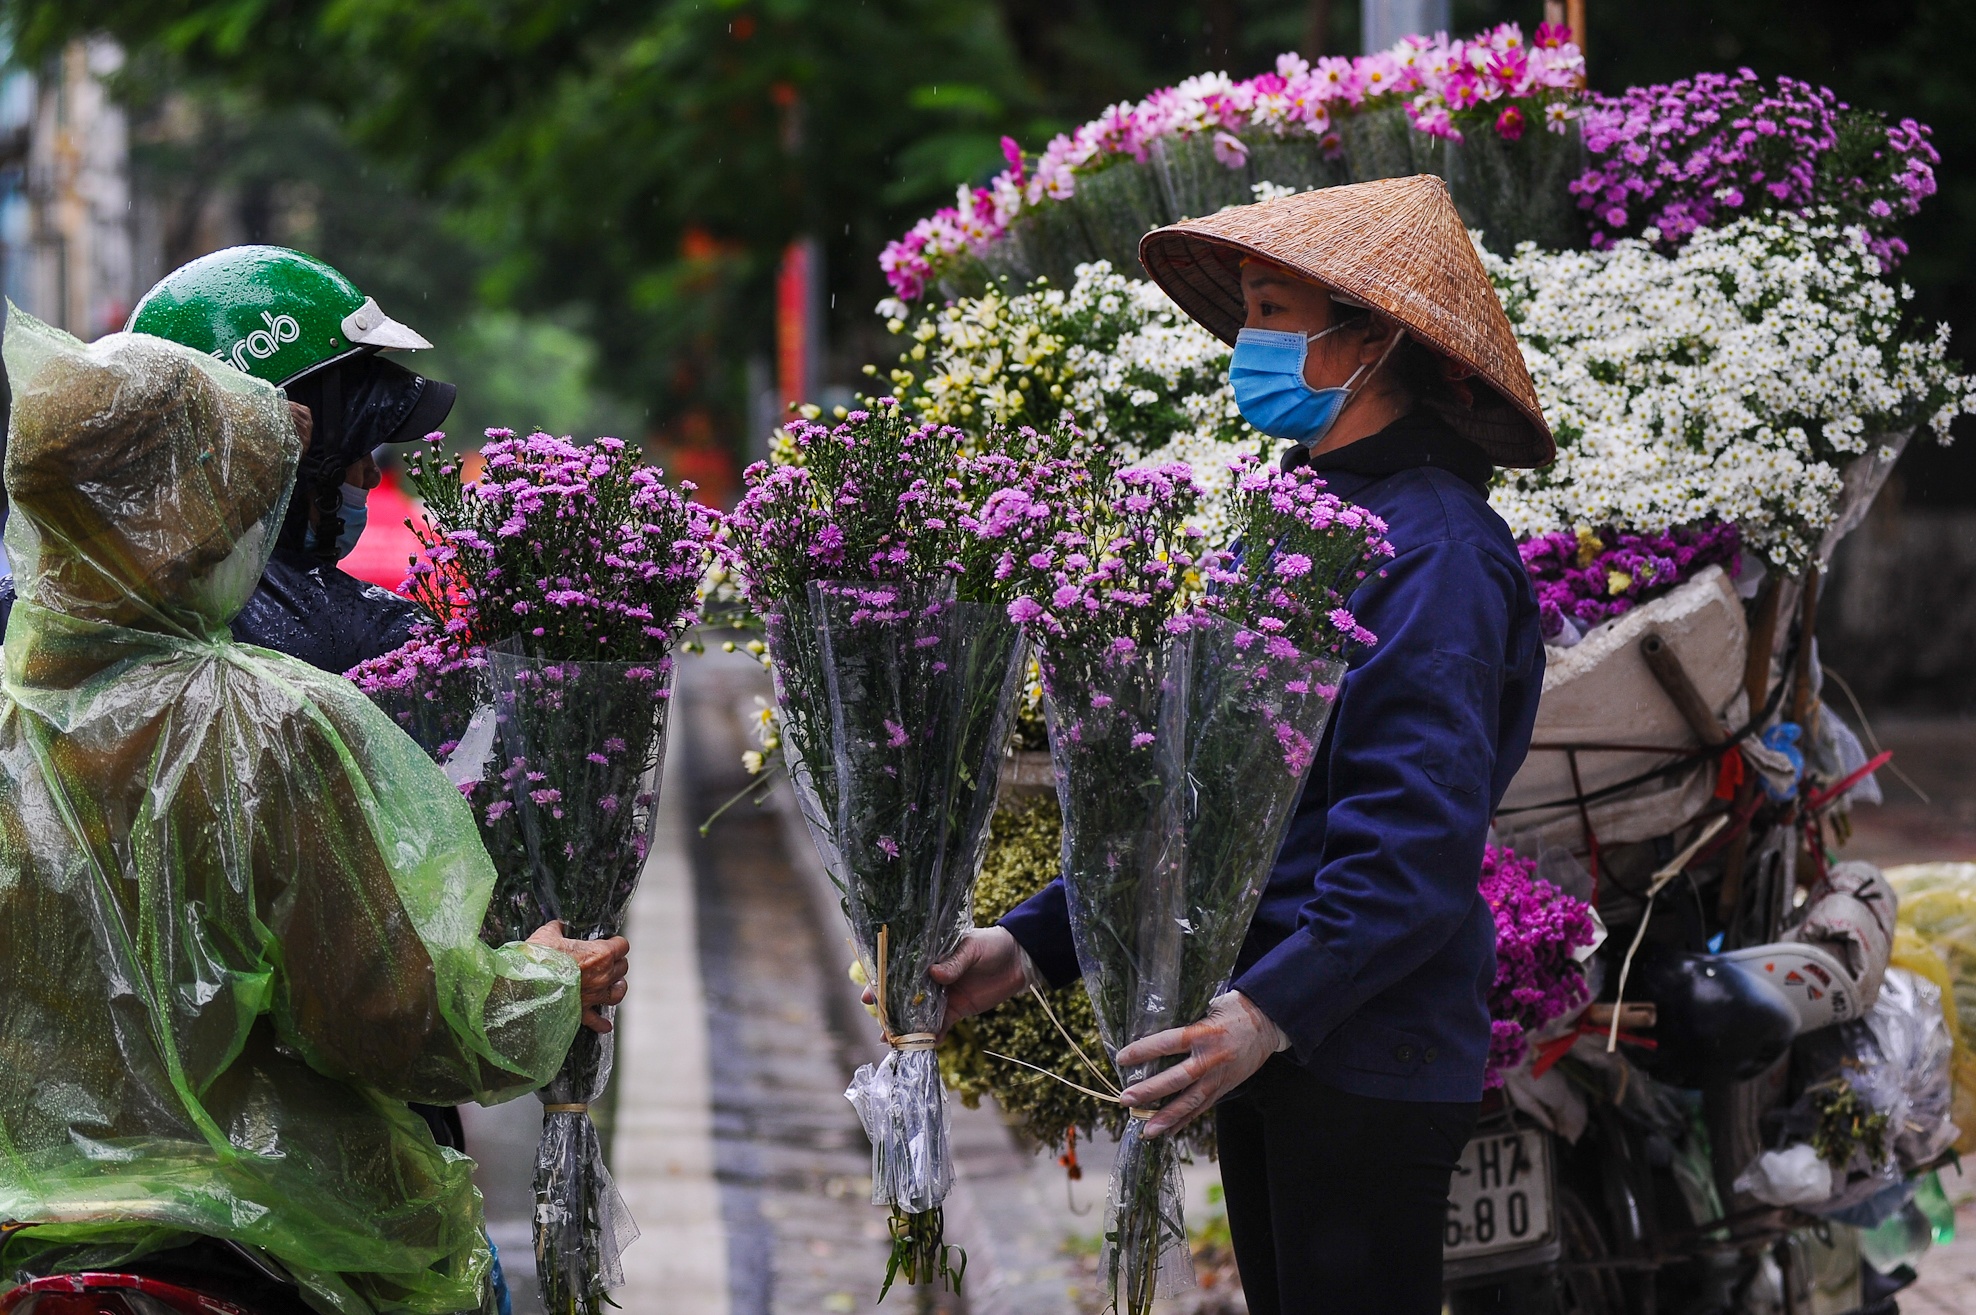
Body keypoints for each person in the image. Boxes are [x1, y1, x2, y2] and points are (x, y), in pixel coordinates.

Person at [932, 176, 1552, 1314]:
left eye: (1274, 311)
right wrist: (1022, 949)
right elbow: (1199, 804)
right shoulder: (1291, 522)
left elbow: (1409, 850)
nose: (1249, 342)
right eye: (1252, 310)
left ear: (1373, 341)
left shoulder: (1440, 554)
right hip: (1272, 1041)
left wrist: (1265, 1010)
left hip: (1361, 1051)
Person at [0, 311, 623, 1315]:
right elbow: (385, 1016)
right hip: (259, 1242)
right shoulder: (261, 725)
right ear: (202, 517)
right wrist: (549, 988)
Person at [127, 244, 458, 674]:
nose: (372, 475)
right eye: (357, 447)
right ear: (284, 446)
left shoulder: (51, 609)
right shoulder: (377, 643)